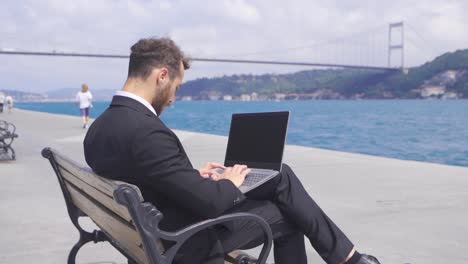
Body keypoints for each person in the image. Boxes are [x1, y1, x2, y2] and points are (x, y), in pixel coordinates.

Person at [84, 37, 380, 264]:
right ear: (162, 75)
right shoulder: (148, 131)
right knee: (289, 212)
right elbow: (210, 205)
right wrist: (230, 182)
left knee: (280, 177)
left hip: (144, 232)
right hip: (181, 241)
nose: (174, 98)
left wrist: (191, 176)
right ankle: (350, 258)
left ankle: (349, 258)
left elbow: (147, 173)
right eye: (176, 86)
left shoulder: (101, 126)